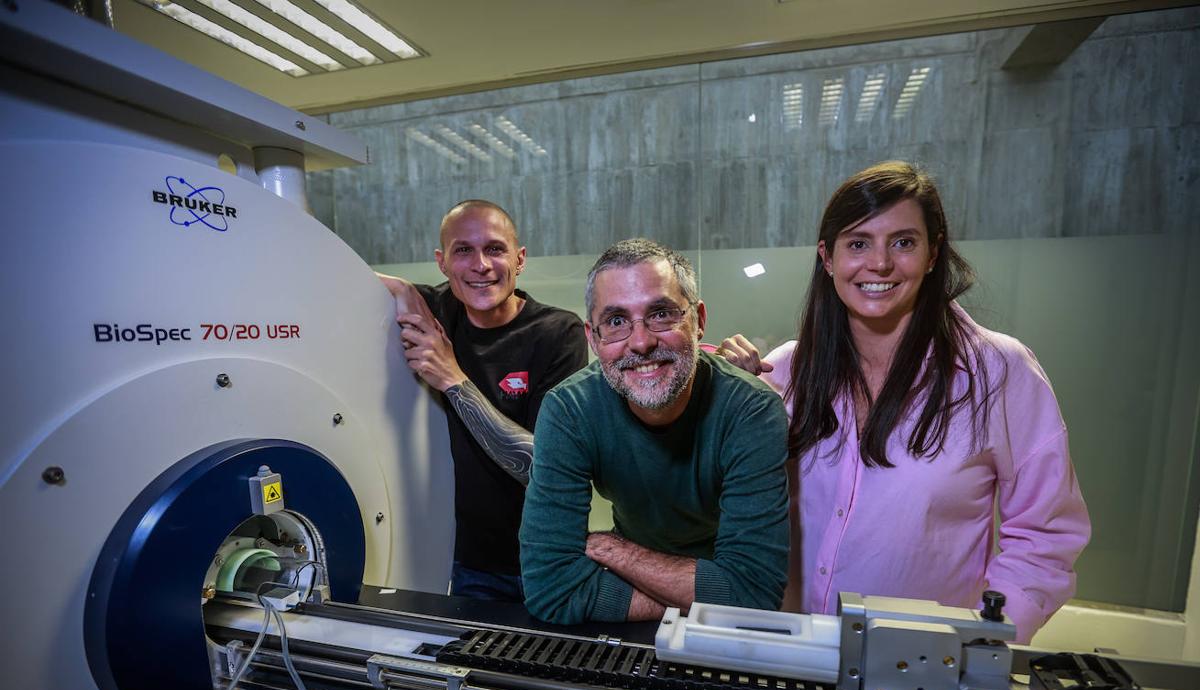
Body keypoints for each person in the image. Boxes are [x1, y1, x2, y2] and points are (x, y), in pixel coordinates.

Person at [716, 162, 1090, 643]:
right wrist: (730, 411)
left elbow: (1045, 536)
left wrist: (983, 646)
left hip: (921, 670)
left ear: (933, 253)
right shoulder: (785, 372)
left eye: (903, 242)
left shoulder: (1000, 372)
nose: (880, 264)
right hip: (793, 654)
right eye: (858, 243)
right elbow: (730, 513)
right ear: (827, 258)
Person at [519, 238, 789, 624]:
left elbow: (752, 596)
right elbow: (550, 590)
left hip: (650, 588)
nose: (641, 342)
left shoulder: (752, 410)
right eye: (615, 322)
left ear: (698, 321)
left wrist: (616, 552)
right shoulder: (569, 409)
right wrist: (708, 605)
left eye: (661, 314)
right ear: (592, 338)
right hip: (675, 602)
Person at [379, 200, 587, 601]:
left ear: (519, 258)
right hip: (466, 560)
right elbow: (329, 274)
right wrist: (402, 289)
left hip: (543, 560)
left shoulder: (557, 333)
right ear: (442, 262)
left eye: (495, 249)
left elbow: (543, 468)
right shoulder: (437, 309)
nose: (481, 265)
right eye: (463, 250)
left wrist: (453, 378)